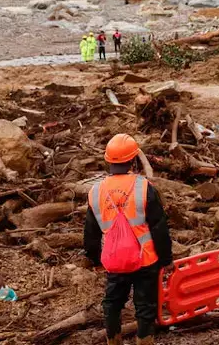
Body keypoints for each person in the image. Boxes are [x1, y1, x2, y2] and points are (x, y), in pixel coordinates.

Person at [84, 134, 173, 345]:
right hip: (146, 260)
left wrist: (95, 259)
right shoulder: (144, 188)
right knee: (145, 306)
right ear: (133, 160)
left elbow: (90, 233)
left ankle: (113, 341)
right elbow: (159, 228)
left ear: (108, 161)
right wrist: (167, 259)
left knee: (112, 304)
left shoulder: (95, 192)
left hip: (115, 261)